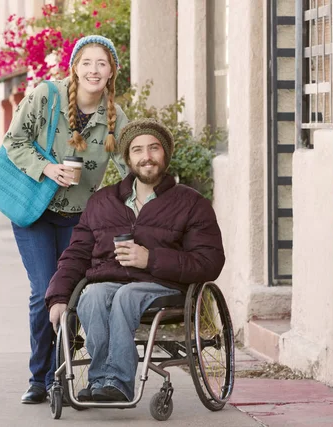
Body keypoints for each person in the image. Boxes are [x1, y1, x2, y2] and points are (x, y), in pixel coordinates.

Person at [45, 119, 226, 403]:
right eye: (138, 150)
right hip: (109, 281)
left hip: (163, 285)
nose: (147, 157)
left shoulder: (192, 204)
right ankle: (100, 382)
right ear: (128, 158)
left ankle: (117, 382)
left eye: (154, 148)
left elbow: (209, 261)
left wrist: (150, 259)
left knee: (127, 295)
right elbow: (76, 254)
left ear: (165, 154)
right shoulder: (102, 202)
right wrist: (57, 297)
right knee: (92, 294)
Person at [4, 35, 129, 404]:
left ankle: (62, 369)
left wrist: (153, 195)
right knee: (45, 290)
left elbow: (127, 166)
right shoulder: (47, 96)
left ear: (111, 73)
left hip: (79, 218)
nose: (94, 70)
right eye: (87, 62)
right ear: (74, 66)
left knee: (75, 292)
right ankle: (40, 378)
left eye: (102, 64)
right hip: (34, 212)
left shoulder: (114, 118)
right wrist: (47, 168)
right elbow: (14, 141)